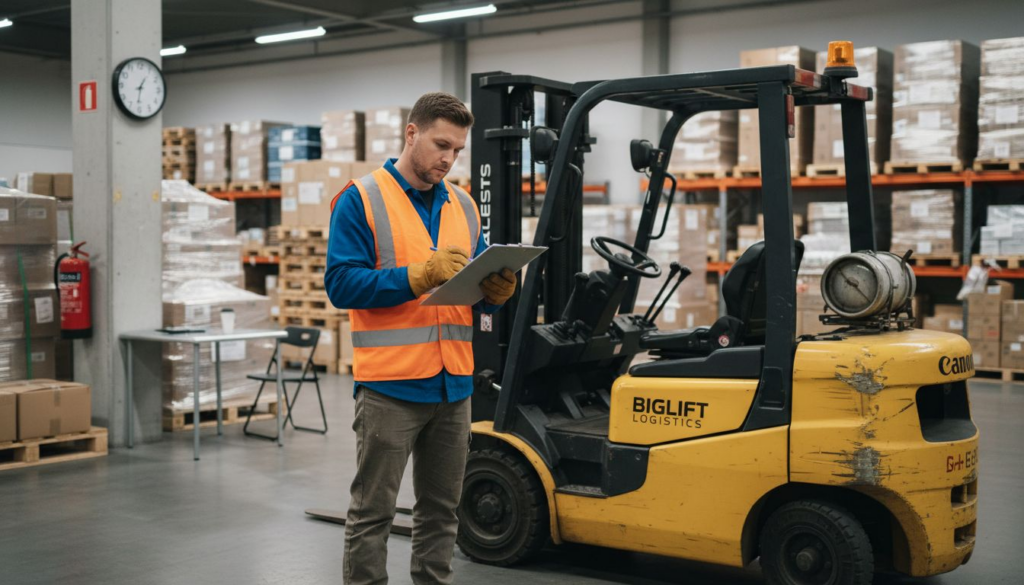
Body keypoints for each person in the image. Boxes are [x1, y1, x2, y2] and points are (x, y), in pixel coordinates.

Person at [324, 92, 516, 585]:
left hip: (454, 386)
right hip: (390, 387)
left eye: (457, 150)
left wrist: (495, 293)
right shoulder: (361, 198)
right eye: (440, 144)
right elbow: (341, 284)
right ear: (412, 134)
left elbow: (466, 291)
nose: (448, 158)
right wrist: (417, 275)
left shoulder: (465, 205)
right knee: (373, 514)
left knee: (442, 512)